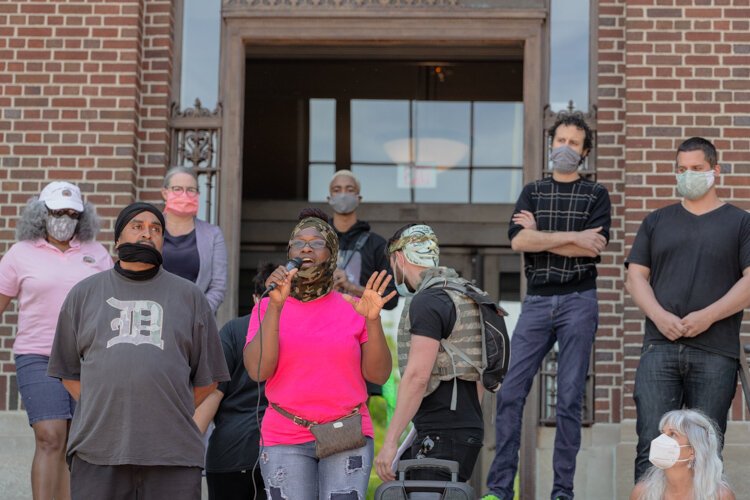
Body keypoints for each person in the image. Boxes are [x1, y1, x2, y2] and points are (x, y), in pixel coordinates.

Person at [47, 202, 229, 500]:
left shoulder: (190, 297)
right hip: (98, 450)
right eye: (138, 226)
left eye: (156, 229)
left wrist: (166, 404)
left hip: (173, 453)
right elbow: (67, 370)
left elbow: (209, 378)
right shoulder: (83, 294)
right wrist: (108, 403)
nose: (148, 234)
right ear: (117, 239)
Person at [484, 112, 611, 500]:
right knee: (510, 393)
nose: (565, 149)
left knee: (570, 398)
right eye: (560, 141)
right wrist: (569, 238)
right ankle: (500, 490)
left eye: (574, 143)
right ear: (550, 144)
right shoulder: (532, 191)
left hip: (579, 300)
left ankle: (562, 492)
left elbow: (595, 247)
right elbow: (518, 242)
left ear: (585, 152)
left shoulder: (597, 195)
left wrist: (539, 234)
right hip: (537, 301)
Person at [243, 208, 394, 500]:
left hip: (345, 434)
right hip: (285, 435)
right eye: (299, 242)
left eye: (317, 242)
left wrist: (373, 320)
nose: (307, 247)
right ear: (290, 253)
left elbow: (378, 375)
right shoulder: (267, 305)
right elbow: (257, 371)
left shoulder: (354, 306)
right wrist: (275, 306)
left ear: (333, 251)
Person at [625, 137, 750, 482]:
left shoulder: (740, 223)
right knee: (651, 449)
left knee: (707, 450)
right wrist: (660, 316)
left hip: (715, 351)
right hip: (659, 348)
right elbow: (636, 277)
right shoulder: (656, 221)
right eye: (682, 169)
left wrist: (707, 316)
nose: (688, 175)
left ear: (715, 171)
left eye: (697, 169)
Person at [0, 181, 112, 500]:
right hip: (38, 356)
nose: (63, 219)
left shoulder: (96, 253)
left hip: (87, 359)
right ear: (41, 213)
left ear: (82, 216)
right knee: (50, 436)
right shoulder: (20, 253)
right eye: (56, 212)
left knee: (77, 441)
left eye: (71, 213)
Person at [374, 223, 484, 484]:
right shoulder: (464, 294)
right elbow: (479, 376)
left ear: (398, 258)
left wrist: (390, 443)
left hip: (439, 433)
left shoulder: (428, 301)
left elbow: (417, 376)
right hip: (465, 427)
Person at [193, 263, 275, 500]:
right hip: (285, 453)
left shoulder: (232, 330)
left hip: (230, 452)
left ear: (256, 297)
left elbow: (212, 393)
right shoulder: (297, 332)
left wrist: (185, 445)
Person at [328, 169, 398, 397]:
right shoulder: (315, 242)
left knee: (356, 402)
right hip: (320, 331)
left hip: (359, 337)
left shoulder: (376, 245)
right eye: (337, 190)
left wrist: (352, 288)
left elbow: (391, 298)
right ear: (329, 198)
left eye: (350, 190)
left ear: (359, 198)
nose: (343, 195)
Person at [161, 166, 227, 313]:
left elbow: (218, 286)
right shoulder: (151, 229)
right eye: (177, 189)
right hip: (152, 318)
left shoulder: (213, 234)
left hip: (195, 323)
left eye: (191, 190)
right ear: (165, 193)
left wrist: (197, 314)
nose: (184, 195)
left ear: (198, 194)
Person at [630, 409, 735, 500]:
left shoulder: (721, 496)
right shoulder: (642, 493)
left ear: (693, 451)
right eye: (662, 433)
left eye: (672, 434)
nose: (661, 440)